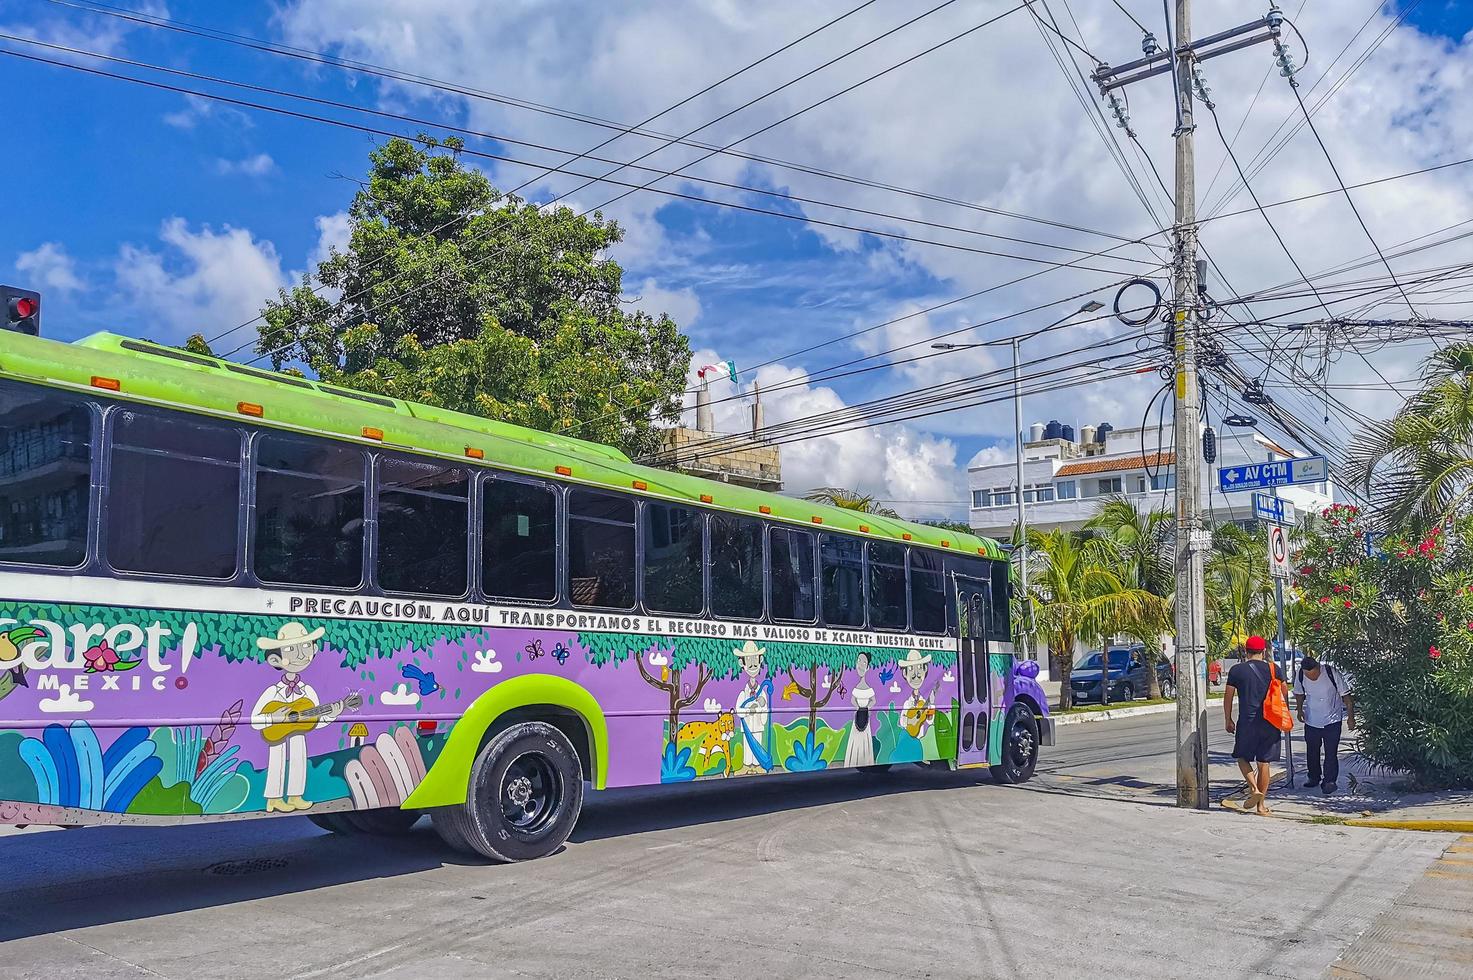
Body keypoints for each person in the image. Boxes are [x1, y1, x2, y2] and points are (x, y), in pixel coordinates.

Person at [253, 623, 343, 813]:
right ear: (275, 659)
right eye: (290, 649)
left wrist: (332, 715)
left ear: (314, 649)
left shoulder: (307, 691)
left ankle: (296, 796)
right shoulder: (272, 691)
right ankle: (274, 799)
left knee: (299, 758)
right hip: (276, 731)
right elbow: (254, 720)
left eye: (306, 647)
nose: (301, 655)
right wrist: (272, 717)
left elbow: (314, 721)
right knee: (276, 761)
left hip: (298, 731)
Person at [1222, 635, 1283, 816]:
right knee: (1264, 763)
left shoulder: (1237, 671)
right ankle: (1261, 807)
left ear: (1246, 651)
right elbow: (1283, 694)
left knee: (1242, 757)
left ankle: (1253, 787)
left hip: (1247, 721)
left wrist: (1228, 719)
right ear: (1264, 651)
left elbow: (1228, 696)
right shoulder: (1274, 669)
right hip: (1270, 721)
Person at [1292, 655, 1355, 794]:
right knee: (1312, 751)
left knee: (1330, 752)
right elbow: (1299, 693)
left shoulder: (1331, 672)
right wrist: (1299, 709)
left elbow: (1347, 697)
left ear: (1318, 667)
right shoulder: (1301, 674)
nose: (1311, 678)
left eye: (1313, 674)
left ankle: (1329, 781)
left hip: (1332, 720)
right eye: (1308, 676)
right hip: (1311, 719)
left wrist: (1351, 717)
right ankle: (1313, 777)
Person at [843, 651, 877, 768]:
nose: (860, 665)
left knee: (863, 739)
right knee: (856, 739)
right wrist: (858, 707)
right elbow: (852, 699)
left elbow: (874, 700)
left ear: (868, 668)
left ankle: (865, 761)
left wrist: (866, 707)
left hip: (864, 716)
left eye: (864, 662)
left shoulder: (869, 688)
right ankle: (854, 761)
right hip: (858, 716)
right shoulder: (856, 687)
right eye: (859, 661)